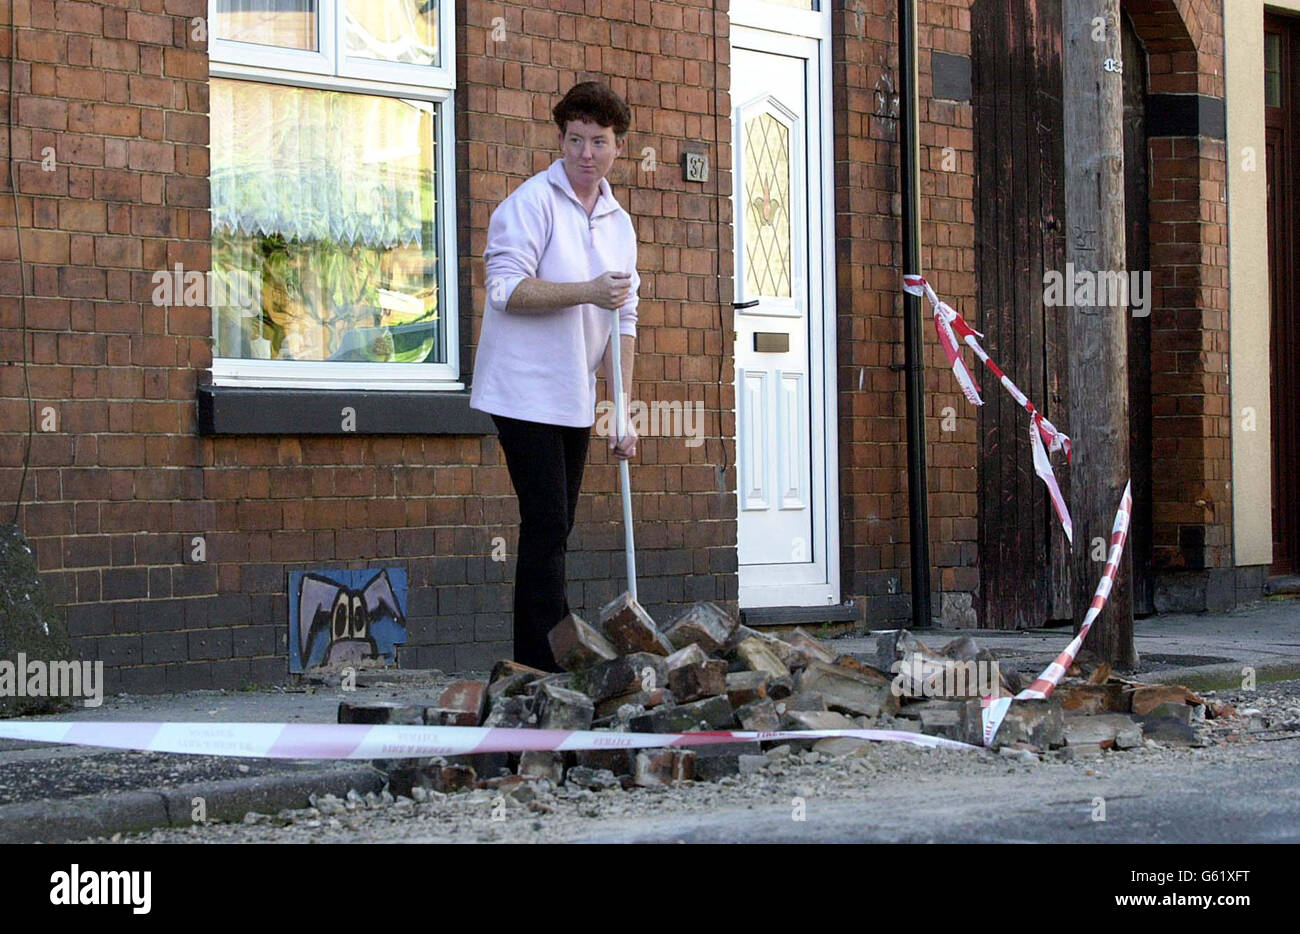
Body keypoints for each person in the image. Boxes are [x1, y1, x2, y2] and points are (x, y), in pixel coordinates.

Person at [469, 81, 640, 672]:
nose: (585, 153)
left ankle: (546, 656)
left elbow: (626, 321)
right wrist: (587, 292)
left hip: (572, 392)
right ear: (560, 140)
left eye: (598, 141)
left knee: (557, 524)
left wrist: (622, 408)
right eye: (574, 140)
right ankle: (537, 664)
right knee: (545, 521)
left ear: (619, 147)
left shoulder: (618, 222)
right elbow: (506, 289)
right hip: (520, 388)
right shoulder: (530, 204)